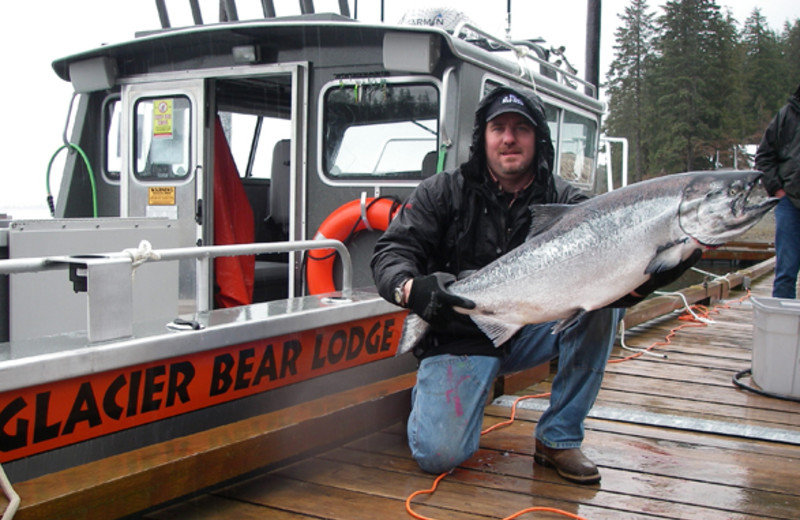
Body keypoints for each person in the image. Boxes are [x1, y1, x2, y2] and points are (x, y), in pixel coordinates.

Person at [371, 85, 699, 485]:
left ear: (537, 139)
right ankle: (436, 402)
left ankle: (558, 438)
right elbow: (390, 252)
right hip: (458, 335)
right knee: (439, 455)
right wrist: (412, 290)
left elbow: (612, 281)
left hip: (532, 328)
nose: (509, 138)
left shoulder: (568, 202)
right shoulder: (442, 191)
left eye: (521, 129)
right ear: (484, 138)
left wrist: (653, 275)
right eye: (499, 128)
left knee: (600, 309)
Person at [755, 83, 800, 299]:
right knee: (786, 271)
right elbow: (764, 156)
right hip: (790, 203)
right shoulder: (788, 114)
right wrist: (777, 190)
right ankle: (782, 328)